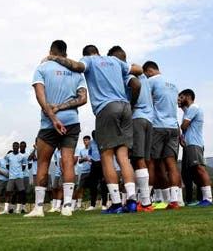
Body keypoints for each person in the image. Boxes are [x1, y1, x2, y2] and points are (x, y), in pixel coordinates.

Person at [46, 44, 143, 214]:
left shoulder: (88, 60)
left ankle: (116, 203)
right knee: (123, 156)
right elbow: (139, 70)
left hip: (107, 108)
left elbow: (76, 66)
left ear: (86, 54)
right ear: (98, 51)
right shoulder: (114, 60)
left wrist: (53, 58)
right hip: (125, 108)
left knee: (106, 156)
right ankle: (133, 201)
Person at [25, 40, 87, 218]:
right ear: (66, 54)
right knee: (68, 161)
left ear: (51, 51)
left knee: (43, 163)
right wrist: (61, 108)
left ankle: (38, 208)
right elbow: (83, 99)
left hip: (48, 123)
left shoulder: (42, 68)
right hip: (71, 121)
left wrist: (53, 118)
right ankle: (67, 207)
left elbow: (40, 95)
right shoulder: (76, 73)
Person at [108, 46, 153, 212]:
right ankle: (144, 201)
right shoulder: (143, 76)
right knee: (141, 160)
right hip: (149, 119)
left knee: (137, 159)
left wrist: (131, 105)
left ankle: (146, 203)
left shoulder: (128, 73)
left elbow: (135, 85)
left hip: (137, 118)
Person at [143, 61, 181, 210]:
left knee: (151, 162)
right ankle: (174, 200)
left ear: (149, 71)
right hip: (173, 128)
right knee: (171, 165)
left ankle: (145, 200)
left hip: (158, 127)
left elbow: (145, 101)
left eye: (145, 74)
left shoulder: (150, 81)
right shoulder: (173, 85)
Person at [178, 89, 212, 205]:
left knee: (200, 169)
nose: (179, 100)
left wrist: (182, 129)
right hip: (189, 145)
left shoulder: (193, 108)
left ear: (188, 97)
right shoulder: (188, 111)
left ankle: (208, 198)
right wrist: (182, 137)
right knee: (190, 174)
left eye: (181, 98)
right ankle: (198, 199)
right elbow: (185, 129)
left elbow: (184, 126)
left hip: (194, 144)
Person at [85, 131, 108, 211]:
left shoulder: (103, 140)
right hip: (94, 163)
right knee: (93, 185)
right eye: (94, 137)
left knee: (103, 185)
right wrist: (89, 157)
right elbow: (90, 151)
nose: (95, 138)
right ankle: (92, 205)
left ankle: (104, 204)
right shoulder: (91, 142)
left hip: (102, 163)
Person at [5, 142, 27, 214]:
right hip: (11, 177)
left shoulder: (22, 156)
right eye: (14, 146)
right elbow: (7, 165)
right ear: (12, 147)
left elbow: (23, 167)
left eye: (17, 146)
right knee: (8, 192)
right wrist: (12, 172)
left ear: (19, 147)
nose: (15, 147)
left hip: (19, 176)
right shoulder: (8, 156)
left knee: (20, 192)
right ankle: (7, 209)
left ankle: (18, 210)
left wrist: (18, 172)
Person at [74, 135, 92, 210]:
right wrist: (84, 158)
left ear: (89, 141)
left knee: (92, 188)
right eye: (84, 140)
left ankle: (92, 204)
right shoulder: (82, 150)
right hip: (84, 171)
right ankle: (78, 205)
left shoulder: (92, 149)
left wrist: (90, 159)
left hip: (92, 171)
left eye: (87, 140)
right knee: (80, 188)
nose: (85, 142)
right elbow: (79, 161)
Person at [47, 148, 63, 213]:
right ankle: (53, 207)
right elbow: (56, 162)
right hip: (57, 173)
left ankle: (58, 207)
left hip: (63, 172)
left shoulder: (64, 150)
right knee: (54, 188)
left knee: (60, 189)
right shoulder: (56, 152)